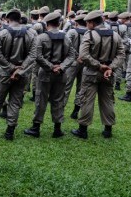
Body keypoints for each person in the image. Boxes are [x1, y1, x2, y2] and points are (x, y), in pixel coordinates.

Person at [0, 9, 37, 141]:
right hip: (22, 75)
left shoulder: (3, 33)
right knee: (15, 103)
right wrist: (20, 70)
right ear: (20, 19)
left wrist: (11, 68)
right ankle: (9, 132)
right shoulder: (30, 34)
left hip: (5, 72)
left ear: (7, 19)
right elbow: (33, 55)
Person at [72, 10, 125, 139]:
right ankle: (108, 130)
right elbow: (121, 54)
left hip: (91, 72)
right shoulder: (115, 35)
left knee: (86, 100)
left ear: (91, 22)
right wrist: (110, 67)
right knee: (108, 100)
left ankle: (82, 130)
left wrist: (98, 65)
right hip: (108, 74)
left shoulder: (89, 35)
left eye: (87, 23)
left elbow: (83, 55)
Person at [23, 11, 75, 138]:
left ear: (47, 24)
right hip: (61, 74)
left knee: (41, 99)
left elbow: (38, 56)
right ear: (58, 23)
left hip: (45, 73)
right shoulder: (66, 37)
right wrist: (61, 67)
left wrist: (51, 67)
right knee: (58, 100)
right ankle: (57, 129)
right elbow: (72, 55)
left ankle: (36, 128)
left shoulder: (41, 38)